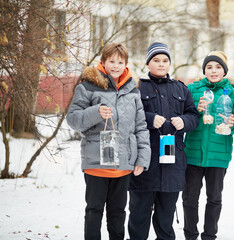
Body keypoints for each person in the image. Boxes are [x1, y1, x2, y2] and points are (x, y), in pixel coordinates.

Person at [66, 42, 151, 240]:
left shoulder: (133, 90)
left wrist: (142, 159)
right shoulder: (87, 86)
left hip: (123, 164)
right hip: (97, 163)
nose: (115, 66)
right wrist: (96, 112)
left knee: (118, 212)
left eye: (120, 62)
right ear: (103, 62)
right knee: (94, 210)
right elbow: (73, 119)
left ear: (126, 64)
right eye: (111, 61)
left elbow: (140, 127)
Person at [127, 42, 199, 240]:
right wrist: (149, 118)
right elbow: (128, 115)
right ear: (148, 64)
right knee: (139, 215)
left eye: (165, 60)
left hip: (172, 164)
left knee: (165, 219)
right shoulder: (137, 87)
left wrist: (184, 121)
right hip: (145, 163)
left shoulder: (181, 89)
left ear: (170, 64)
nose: (161, 64)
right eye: (156, 60)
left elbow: (194, 116)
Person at [182, 51, 234, 240]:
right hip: (193, 153)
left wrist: (232, 123)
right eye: (209, 67)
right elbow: (183, 116)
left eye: (218, 67)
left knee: (214, 199)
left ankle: (209, 236)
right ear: (204, 70)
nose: (213, 70)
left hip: (218, 156)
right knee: (189, 199)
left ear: (225, 70)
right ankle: (190, 235)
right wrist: (196, 110)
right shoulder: (192, 90)